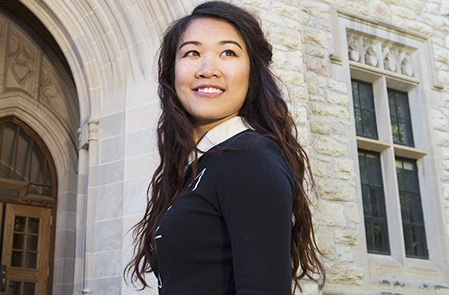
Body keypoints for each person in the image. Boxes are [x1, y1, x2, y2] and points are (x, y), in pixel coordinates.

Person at [125, 1, 325, 294]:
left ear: (252, 73)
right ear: (171, 72)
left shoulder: (250, 158)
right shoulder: (202, 166)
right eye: (192, 52)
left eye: (228, 52)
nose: (208, 69)